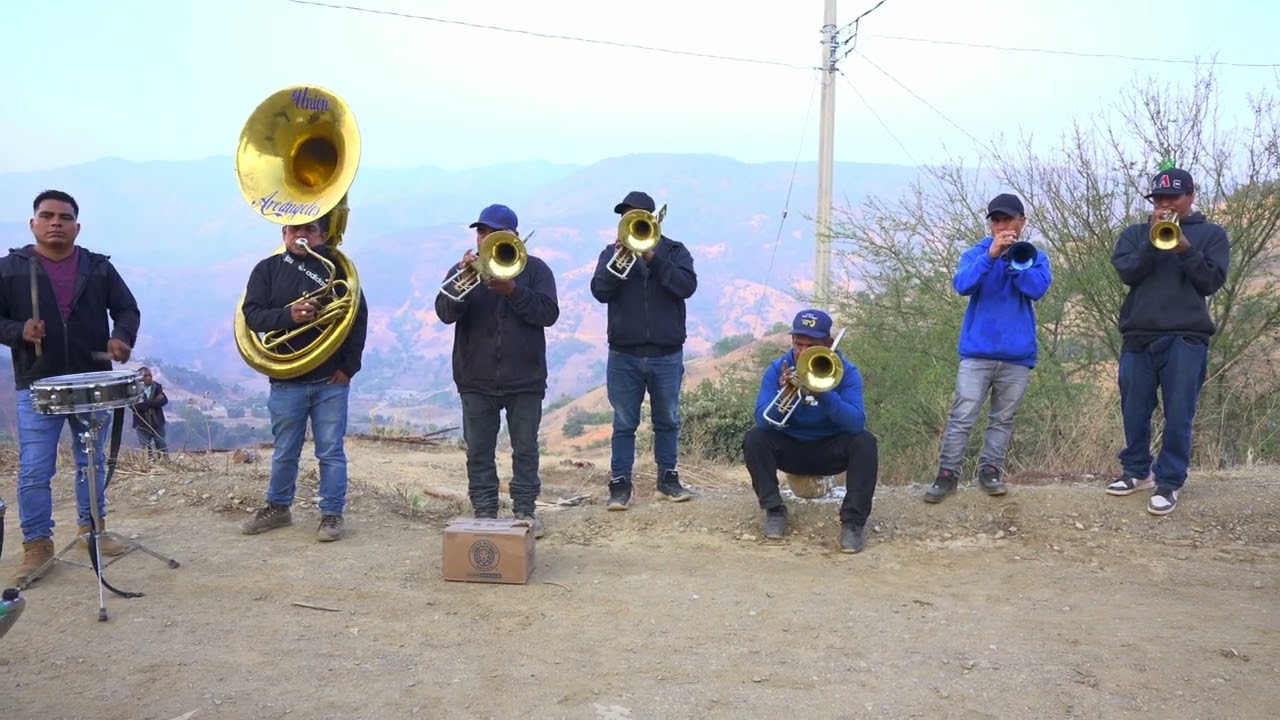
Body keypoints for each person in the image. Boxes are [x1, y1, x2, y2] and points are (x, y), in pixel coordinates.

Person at [0, 190, 140, 585]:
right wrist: (17, 331)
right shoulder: (10, 269)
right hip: (37, 383)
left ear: (77, 227)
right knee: (34, 469)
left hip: (90, 382)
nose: (56, 222)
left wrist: (122, 337)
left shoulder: (98, 268)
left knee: (90, 462)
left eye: (64, 217)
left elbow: (127, 309)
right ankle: (37, 546)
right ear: (33, 224)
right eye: (47, 216)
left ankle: (91, 531)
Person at [1105, 167, 1229, 515]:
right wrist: (1152, 239)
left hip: (1186, 337)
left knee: (1179, 413)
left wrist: (1185, 249)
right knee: (1134, 409)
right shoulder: (1133, 234)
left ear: (1190, 196)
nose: (1164, 204)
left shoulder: (1211, 235)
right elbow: (1128, 273)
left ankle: (1169, 482)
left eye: (1172, 197)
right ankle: (1136, 472)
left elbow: (1209, 283)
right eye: (1158, 198)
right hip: (1139, 334)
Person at [239, 213, 368, 542]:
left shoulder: (338, 271)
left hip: (329, 381)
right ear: (284, 233)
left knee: (330, 451)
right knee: (285, 450)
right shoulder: (266, 270)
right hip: (286, 379)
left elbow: (356, 317)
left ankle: (331, 515)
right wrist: (289, 316)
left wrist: (348, 368)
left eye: (309, 229)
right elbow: (252, 316)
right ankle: (278, 508)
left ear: (322, 235)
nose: (301, 235)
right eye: (294, 229)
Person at [435, 204, 559, 537]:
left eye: (492, 232)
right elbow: (444, 312)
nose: (484, 237)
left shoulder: (535, 270)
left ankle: (525, 512)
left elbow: (548, 314)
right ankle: (485, 511)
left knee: (526, 449)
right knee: (478, 451)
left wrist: (514, 292)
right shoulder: (463, 271)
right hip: (475, 380)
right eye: (481, 232)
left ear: (513, 237)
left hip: (525, 380)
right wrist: (463, 283)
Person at [924, 193, 1053, 503]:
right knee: (962, 416)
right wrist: (991, 257)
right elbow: (962, 285)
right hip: (977, 354)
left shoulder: (1036, 256)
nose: (1001, 225)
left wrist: (1014, 263)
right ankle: (947, 475)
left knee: (1003, 419)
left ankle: (990, 471)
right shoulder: (975, 254)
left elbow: (1037, 290)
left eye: (1007, 219)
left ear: (1022, 222)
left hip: (1017, 357)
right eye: (995, 220)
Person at [590, 190, 698, 510]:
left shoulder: (676, 252)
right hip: (623, 353)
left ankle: (668, 479)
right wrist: (616, 264)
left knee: (667, 419)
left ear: (651, 219)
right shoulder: (612, 253)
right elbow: (600, 291)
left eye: (635, 214)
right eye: (625, 215)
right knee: (624, 422)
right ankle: (620, 484)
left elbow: (685, 287)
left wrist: (652, 256)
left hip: (667, 353)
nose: (629, 219)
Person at [742, 309, 878, 553]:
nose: (802, 352)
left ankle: (853, 524)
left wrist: (824, 396)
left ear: (827, 344)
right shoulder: (777, 370)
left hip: (830, 450)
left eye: (811, 345)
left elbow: (856, 423)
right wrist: (783, 393)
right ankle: (774, 511)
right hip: (791, 447)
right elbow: (763, 421)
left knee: (865, 443)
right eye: (798, 344)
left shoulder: (846, 371)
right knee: (755, 438)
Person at [131, 366, 168, 459]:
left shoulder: (157, 386)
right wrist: (154, 402)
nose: (148, 377)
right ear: (139, 377)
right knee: (145, 445)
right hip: (142, 423)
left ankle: (164, 462)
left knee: (161, 442)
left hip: (157, 421)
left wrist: (146, 403)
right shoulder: (134, 390)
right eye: (145, 376)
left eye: (150, 375)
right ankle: (149, 463)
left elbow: (164, 400)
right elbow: (137, 407)